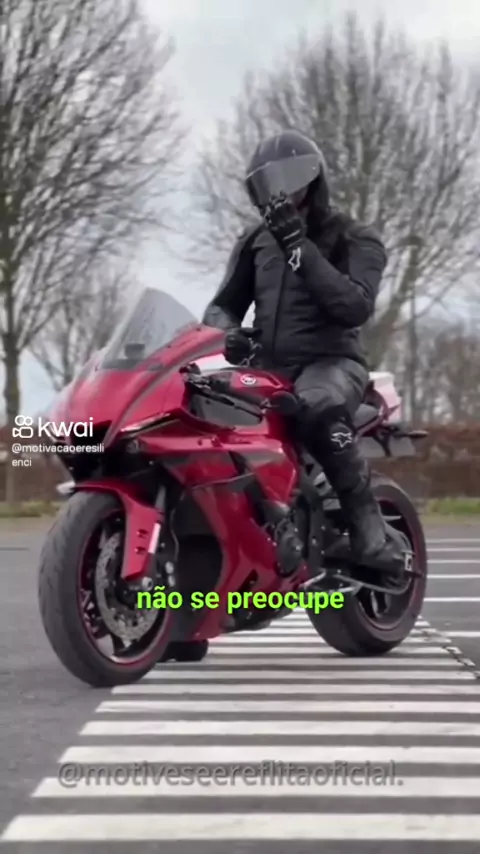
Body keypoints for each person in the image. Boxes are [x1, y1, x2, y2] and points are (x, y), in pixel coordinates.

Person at [201, 129, 409, 579]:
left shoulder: (355, 237)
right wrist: (227, 335)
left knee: (317, 403)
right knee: (203, 411)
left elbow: (354, 306)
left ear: (311, 180)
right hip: (267, 369)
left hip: (332, 363)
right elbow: (222, 306)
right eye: (265, 184)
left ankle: (369, 529)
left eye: (285, 181)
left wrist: (299, 248)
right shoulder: (254, 241)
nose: (276, 193)